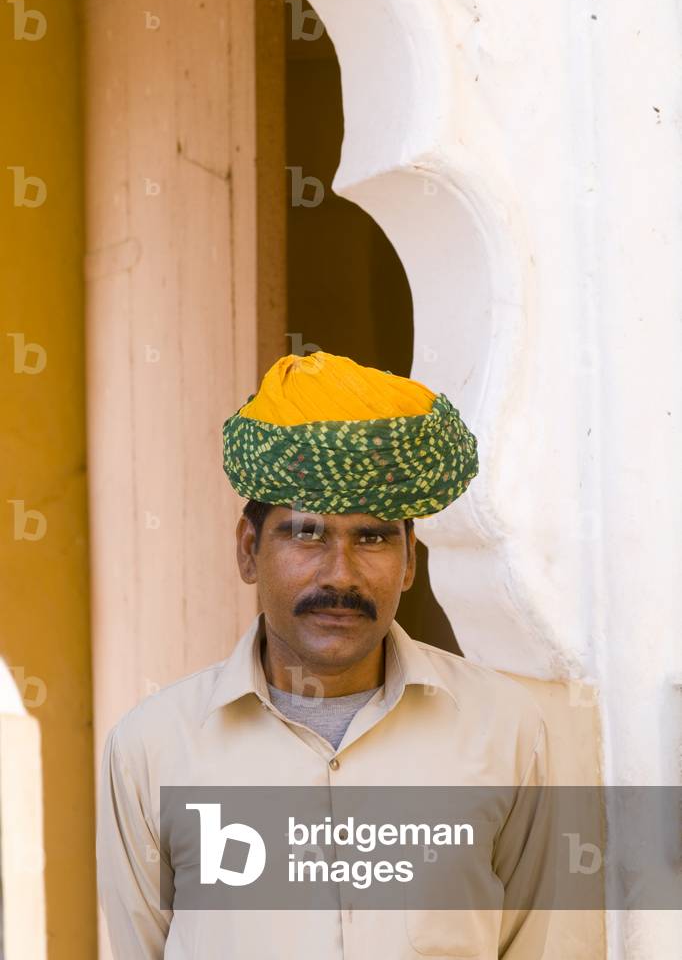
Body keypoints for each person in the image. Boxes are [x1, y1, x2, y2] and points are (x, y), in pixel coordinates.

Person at [97, 350, 552, 958]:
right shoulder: (152, 747)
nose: (341, 574)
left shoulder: (505, 727)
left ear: (410, 559)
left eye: (372, 537)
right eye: (307, 534)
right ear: (249, 550)